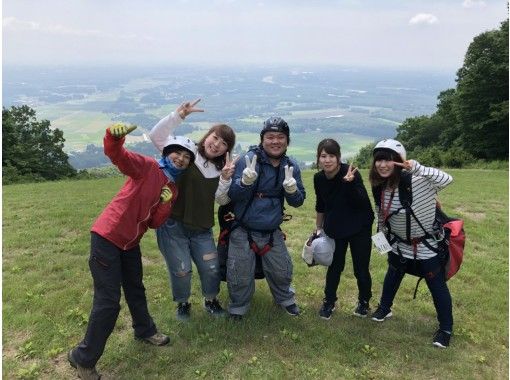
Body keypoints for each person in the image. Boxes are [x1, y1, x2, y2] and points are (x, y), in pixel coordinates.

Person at [68, 122, 197, 380]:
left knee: (136, 288)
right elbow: (119, 157)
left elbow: (155, 223)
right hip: (108, 237)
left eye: (186, 158)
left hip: (130, 243)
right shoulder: (148, 168)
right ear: (167, 153)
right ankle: (82, 358)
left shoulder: (172, 188)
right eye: (177, 154)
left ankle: (144, 330)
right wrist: (112, 138)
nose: (181, 160)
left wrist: (163, 203)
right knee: (108, 303)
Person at [149, 100, 236, 321]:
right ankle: (183, 303)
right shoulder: (185, 153)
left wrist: (225, 179)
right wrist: (178, 116)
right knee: (181, 269)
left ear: (227, 150)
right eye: (215, 137)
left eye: (223, 143)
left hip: (202, 228)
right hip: (172, 225)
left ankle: (211, 300)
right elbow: (157, 137)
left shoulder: (220, 170)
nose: (216, 144)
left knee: (211, 268)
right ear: (207, 136)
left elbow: (221, 199)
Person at [368, 139, 454, 348]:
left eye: (388, 160)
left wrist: (417, 167)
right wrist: (382, 239)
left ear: (399, 161)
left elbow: (447, 179)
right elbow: (382, 214)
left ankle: (445, 329)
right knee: (392, 275)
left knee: (436, 286)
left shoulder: (418, 180)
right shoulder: (380, 186)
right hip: (398, 244)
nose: (382, 165)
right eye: (379, 160)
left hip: (425, 246)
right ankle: (385, 308)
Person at [226, 117, 306, 320]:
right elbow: (233, 196)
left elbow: (298, 201)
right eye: (270, 137)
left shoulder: (291, 167)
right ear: (262, 139)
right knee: (240, 274)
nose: (275, 141)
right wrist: (244, 182)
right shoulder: (248, 160)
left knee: (282, 271)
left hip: (271, 231)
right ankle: (238, 306)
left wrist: (292, 191)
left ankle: (286, 300)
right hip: (244, 229)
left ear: (287, 141)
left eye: (281, 137)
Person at [312, 138, 374, 320]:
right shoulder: (319, 178)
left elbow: (362, 201)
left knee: (360, 268)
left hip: (359, 226)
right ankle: (329, 301)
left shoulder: (350, 172)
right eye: (323, 156)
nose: (327, 160)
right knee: (334, 266)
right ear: (318, 158)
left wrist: (349, 184)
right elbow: (321, 204)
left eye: (332, 155)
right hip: (336, 227)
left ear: (338, 158)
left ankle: (364, 302)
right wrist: (318, 228)